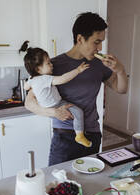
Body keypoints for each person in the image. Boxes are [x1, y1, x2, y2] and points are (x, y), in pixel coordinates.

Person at [25, 12, 128, 166]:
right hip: (65, 138)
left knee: (90, 183)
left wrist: (120, 70)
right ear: (80, 39)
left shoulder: (99, 64)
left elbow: (121, 89)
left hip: (93, 135)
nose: (100, 48)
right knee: (59, 183)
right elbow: (29, 102)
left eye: (101, 43)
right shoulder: (53, 66)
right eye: (96, 42)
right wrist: (54, 112)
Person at [19, 41, 92, 147]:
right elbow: (63, 79)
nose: (52, 65)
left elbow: (26, 87)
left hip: (47, 106)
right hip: (57, 104)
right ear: (38, 69)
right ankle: (79, 135)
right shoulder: (44, 78)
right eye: (48, 63)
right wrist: (78, 70)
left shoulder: (32, 79)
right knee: (79, 112)